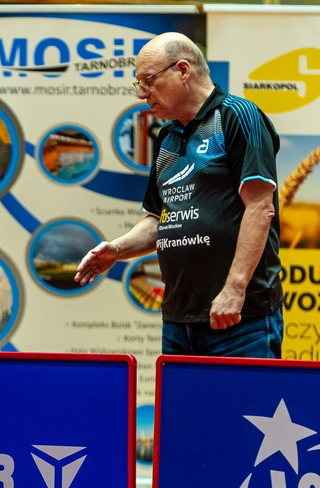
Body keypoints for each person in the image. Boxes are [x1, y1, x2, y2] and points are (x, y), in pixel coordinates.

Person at [75, 32, 284, 358]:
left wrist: (234, 289)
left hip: (239, 319)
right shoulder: (168, 137)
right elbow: (158, 221)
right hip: (178, 322)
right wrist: (117, 249)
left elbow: (260, 207)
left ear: (183, 70)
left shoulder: (237, 115)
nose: (141, 93)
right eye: (138, 84)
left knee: (244, 396)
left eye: (148, 80)